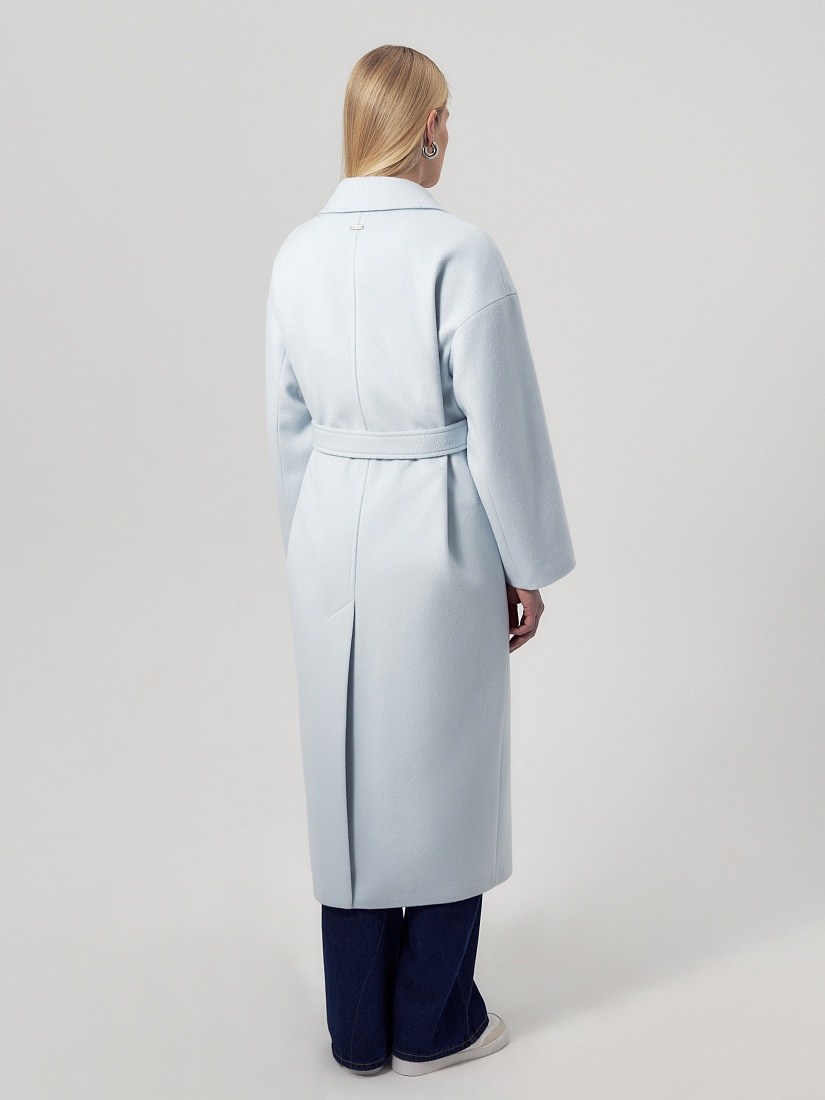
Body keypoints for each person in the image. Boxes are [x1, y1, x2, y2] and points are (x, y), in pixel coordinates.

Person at [264, 44, 575, 1076]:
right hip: (435, 524)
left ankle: (357, 1027)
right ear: (428, 124)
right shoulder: (460, 253)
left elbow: (288, 423)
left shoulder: (297, 255)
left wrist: (307, 542)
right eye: (447, 116)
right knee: (446, 771)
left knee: (347, 776)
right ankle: (432, 1019)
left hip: (332, 529)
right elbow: (502, 422)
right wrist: (525, 561)